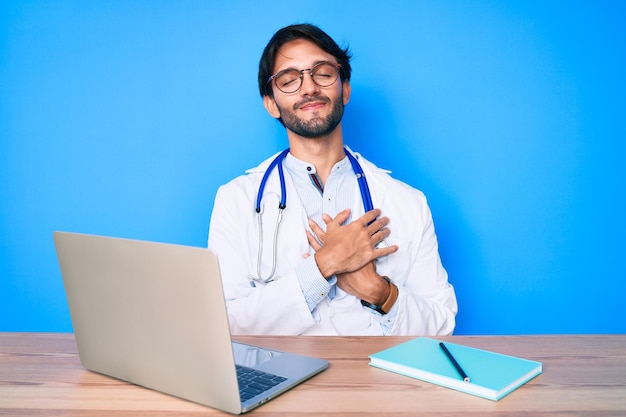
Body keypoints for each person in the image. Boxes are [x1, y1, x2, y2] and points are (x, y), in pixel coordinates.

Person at [208, 23, 457, 335]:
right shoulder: (236, 200)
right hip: (282, 380)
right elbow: (225, 324)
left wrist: (380, 292)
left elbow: (442, 323)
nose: (309, 87)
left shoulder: (408, 202)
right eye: (289, 80)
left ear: (345, 89)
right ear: (271, 104)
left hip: (378, 382)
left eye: (323, 73)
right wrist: (323, 266)